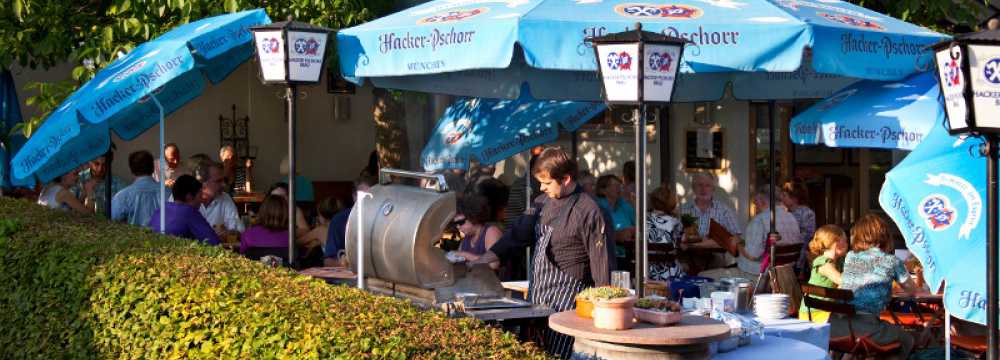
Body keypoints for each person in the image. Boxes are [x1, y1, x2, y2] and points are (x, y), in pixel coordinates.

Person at [480, 147, 612, 358]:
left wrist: (603, 315)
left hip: (570, 304)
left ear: (566, 179)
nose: (541, 188)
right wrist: (481, 261)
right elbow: (516, 235)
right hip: (538, 298)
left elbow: (602, 269)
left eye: (547, 182)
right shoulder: (541, 204)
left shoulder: (590, 211)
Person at [834, 213, 919, 360]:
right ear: (884, 235)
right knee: (907, 339)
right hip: (865, 329)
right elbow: (912, 291)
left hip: (837, 326)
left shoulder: (850, 257)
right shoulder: (891, 261)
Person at [700, 189, 800, 282]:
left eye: (755, 202)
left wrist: (738, 242)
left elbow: (752, 255)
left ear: (762, 201)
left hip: (758, 278)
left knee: (702, 276)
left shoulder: (760, 220)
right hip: (785, 278)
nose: (754, 205)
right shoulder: (792, 217)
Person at [680, 173, 742, 269]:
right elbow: (678, 237)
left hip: (717, 261)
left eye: (707, 185)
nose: (703, 189)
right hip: (689, 261)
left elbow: (737, 238)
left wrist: (697, 244)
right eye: (699, 185)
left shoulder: (724, 210)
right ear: (693, 188)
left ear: (713, 189)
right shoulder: (684, 210)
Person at [147, 175, 221, 245]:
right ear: (189, 197)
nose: (201, 200)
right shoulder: (190, 212)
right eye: (200, 195)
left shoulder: (161, 208)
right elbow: (214, 242)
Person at [324, 174, 377, 266]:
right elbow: (328, 261)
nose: (365, 200)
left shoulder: (384, 219)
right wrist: (344, 263)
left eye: (370, 196)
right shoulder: (339, 220)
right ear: (353, 197)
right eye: (361, 195)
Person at [798, 225, 848, 323]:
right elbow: (842, 280)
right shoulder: (822, 263)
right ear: (836, 243)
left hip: (826, 309)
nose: (847, 243)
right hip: (813, 312)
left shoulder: (839, 261)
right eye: (845, 240)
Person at [193, 161, 244, 237]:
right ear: (202, 183)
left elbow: (240, 229)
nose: (224, 184)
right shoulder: (186, 197)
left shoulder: (225, 197)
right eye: (218, 181)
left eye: (223, 180)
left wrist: (230, 233)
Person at [453, 195, 503, 269]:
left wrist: (464, 255)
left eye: (461, 222)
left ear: (472, 216)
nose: (458, 227)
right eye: (456, 224)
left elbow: (494, 264)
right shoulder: (466, 239)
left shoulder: (491, 231)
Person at [111, 150, 161, 226]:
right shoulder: (168, 192)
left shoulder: (122, 197)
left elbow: (113, 224)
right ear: (153, 168)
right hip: (164, 237)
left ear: (131, 170)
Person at [647, 186, 686, 281]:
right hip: (670, 274)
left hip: (647, 272)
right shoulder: (675, 222)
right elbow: (683, 243)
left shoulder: (644, 220)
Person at [781, 180, 817, 274]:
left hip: (799, 256)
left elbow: (807, 236)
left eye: (784, 196)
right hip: (783, 255)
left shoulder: (807, 213)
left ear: (794, 198)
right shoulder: (784, 212)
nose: (782, 198)